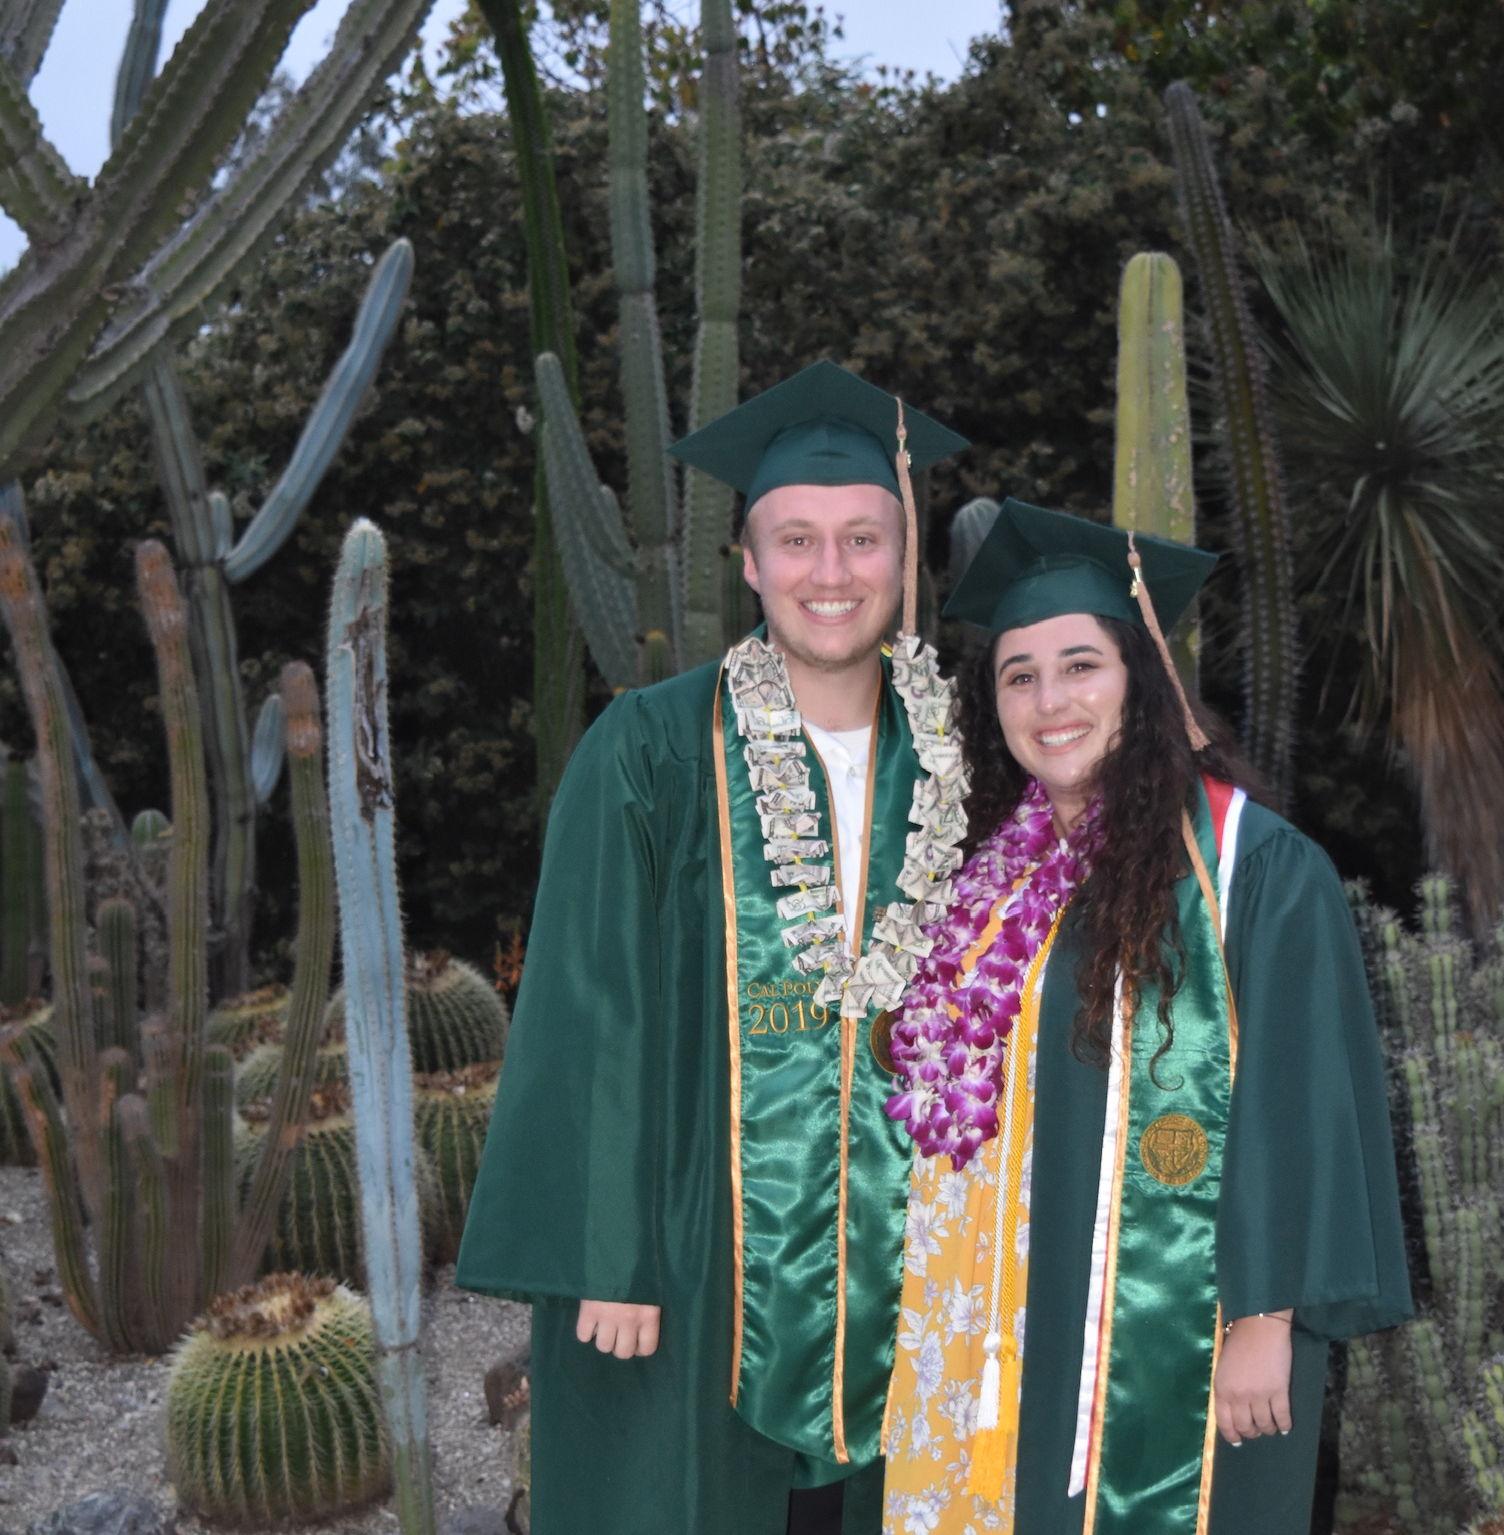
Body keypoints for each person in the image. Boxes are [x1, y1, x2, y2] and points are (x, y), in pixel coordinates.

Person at [456, 361, 970, 1534]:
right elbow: (587, 1003)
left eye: (862, 539)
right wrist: (609, 1255)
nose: (830, 572)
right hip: (692, 1252)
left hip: (906, 1260)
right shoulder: (650, 749)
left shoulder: (951, 759)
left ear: (904, 562)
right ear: (747, 562)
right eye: (796, 540)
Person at [879, 500, 1411, 1535]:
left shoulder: (1252, 868)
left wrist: (1264, 1317)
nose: (1050, 700)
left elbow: (1304, 1103)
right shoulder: (993, 884)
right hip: (1017, 1314)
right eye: (1019, 675)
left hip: (1199, 1325)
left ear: (1143, 676)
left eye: (1081, 665)